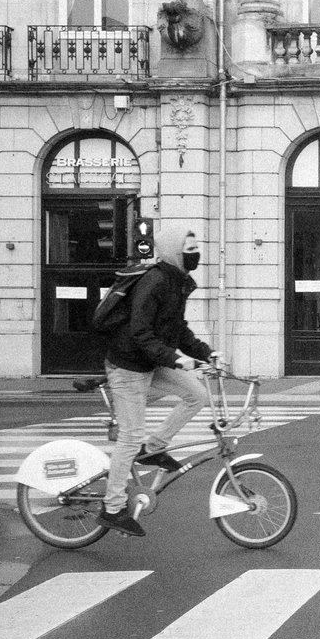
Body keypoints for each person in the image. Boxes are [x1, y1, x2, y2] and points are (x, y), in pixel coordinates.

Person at [98, 226, 215, 537]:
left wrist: (207, 353)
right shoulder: (154, 282)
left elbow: (179, 331)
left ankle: (154, 448)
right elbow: (141, 333)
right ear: (175, 252)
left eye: (195, 247)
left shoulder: (177, 283)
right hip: (127, 366)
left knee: (196, 395)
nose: (195, 253)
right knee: (130, 435)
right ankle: (112, 508)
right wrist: (176, 359)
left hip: (149, 362)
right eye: (189, 248)